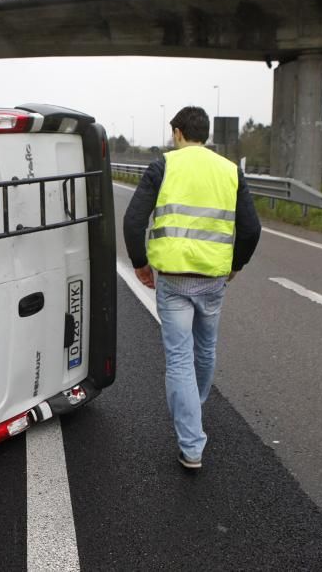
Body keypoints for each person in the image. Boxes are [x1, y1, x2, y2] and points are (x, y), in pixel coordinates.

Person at [122, 106, 261, 471]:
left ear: (179, 133)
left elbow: (133, 220)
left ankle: (191, 444)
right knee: (205, 348)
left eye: (173, 134)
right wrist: (235, 265)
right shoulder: (230, 171)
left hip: (173, 279)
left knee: (179, 358)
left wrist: (139, 263)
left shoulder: (163, 166)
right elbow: (251, 230)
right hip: (213, 278)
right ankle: (193, 407)